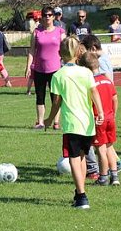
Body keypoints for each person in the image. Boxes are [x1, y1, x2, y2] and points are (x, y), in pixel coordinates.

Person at [44, 36, 104, 209]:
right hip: (88, 123)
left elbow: (56, 103)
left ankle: (82, 196)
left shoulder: (58, 75)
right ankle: (79, 193)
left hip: (72, 123)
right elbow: (94, 92)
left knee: (74, 159)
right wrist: (100, 111)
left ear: (59, 54)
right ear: (79, 52)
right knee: (82, 157)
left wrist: (49, 120)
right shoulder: (86, 72)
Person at [82, 53, 120, 187]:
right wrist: (113, 114)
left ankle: (103, 177)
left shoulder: (90, 83)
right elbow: (115, 98)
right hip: (110, 118)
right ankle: (115, 176)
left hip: (99, 119)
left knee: (101, 150)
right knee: (110, 147)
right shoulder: (107, 80)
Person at [27, 6, 66, 129]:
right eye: (45, 15)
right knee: (40, 96)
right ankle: (40, 122)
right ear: (42, 17)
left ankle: (56, 122)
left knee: (55, 96)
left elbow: (65, 50)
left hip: (55, 69)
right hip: (39, 69)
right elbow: (32, 50)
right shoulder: (37, 32)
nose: (47, 17)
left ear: (53, 17)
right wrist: (28, 66)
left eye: (50, 15)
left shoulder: (60, 32)